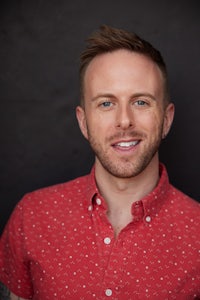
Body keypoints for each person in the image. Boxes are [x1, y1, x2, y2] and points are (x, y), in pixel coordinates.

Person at [0, 25, 199, 300]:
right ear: (83, 122)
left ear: (166, 119)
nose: (124, 120)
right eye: (106, 103)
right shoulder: (31, 217)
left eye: (141, 102)